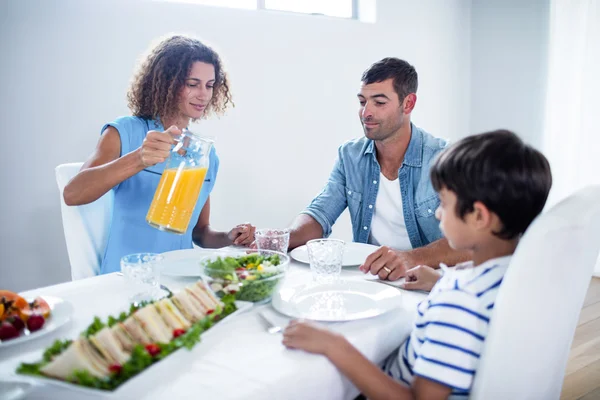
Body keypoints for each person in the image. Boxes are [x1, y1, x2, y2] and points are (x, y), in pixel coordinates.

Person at [282, 130, 552, 399]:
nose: (437, 212)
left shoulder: (459, 301)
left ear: (479, 216)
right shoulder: (513, 275)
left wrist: (335, 346)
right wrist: (438, 281)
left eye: (444, 203)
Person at [63, 35, 255, 274]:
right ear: (168, 83)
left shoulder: (206, 154)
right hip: (127, 277)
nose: (204, 94)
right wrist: (139, 158)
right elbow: (73, 194)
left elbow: (199, 232)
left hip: (181, 276)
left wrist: (230, 237)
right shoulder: (126, 131)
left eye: (209, 85)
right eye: (193, 83)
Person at [285, 57, 469, 281]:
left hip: (427, 283)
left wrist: (410, 258)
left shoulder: (444, 158)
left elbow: (471, 240)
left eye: (379, 103)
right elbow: (320, 213)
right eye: (363, 102)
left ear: (408, 104)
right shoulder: (350, 156)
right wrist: (279, 238)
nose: (366, 113)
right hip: (372, 280)